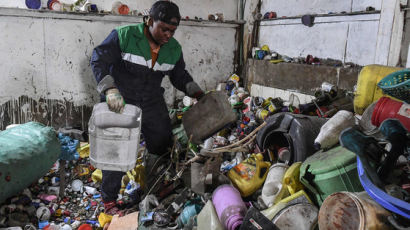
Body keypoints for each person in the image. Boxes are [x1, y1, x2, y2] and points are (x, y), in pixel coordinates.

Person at [90, 1, 204, 215]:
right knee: (116, 149)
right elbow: (98, 60)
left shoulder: (174, 49)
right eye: (164, 29)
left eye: (172, 30)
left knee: (162, 143)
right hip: (120, 99)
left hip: (151, 100)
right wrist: (109, 89)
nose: (168, 35)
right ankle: (109, 202)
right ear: (150, 21)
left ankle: (153, 189)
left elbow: (179, 76)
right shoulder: (124, 36)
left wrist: (196, 91)